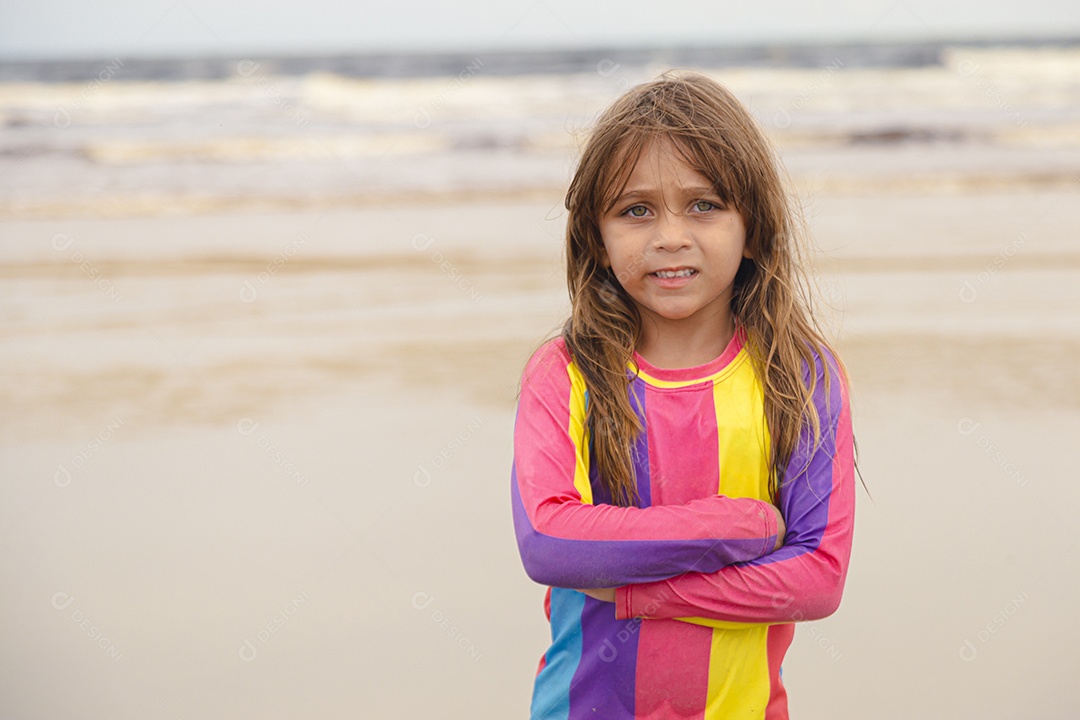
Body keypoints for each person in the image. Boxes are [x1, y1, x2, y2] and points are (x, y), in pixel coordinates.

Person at [509, 70, 858, 719]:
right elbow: (549, 541)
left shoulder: (799, 375)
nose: (670, 235)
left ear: (752, 226)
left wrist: (646, 595)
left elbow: (817, 578)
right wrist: (733, 526)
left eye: (704, 204)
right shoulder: (565, 372)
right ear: (597, 236)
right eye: (636, 210)